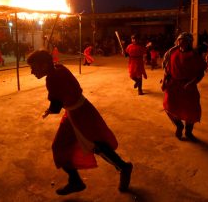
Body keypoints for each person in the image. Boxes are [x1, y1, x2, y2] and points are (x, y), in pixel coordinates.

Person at [27, 50, 133, 195]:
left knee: (95, 145)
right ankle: (76, 180)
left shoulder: (52, 78)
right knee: (73, 145)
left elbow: (56, 106)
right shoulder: (59, 67)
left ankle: (123, 167)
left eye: (34, 67)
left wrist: (50, 109)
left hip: (80, 114)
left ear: (44, 65)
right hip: (78, 110)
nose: (32, 72)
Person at [161, 32, 206, 141]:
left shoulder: (194, 55)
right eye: (180, 40)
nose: (181, 42)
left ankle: (188, 132)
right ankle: (179, 126)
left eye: (185, 40)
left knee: (191, 110)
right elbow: (167, 69)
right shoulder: (172, 53)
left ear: (189, 43)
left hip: (188, 85)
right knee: (168, 106)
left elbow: (201, 72)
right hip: (173, 84)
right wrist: (164, 82)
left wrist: (193, 83)